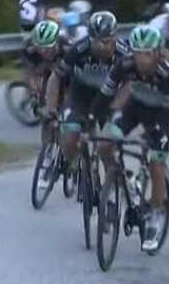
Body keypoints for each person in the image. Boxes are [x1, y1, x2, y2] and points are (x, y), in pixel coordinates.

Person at [91, 25, 169, 252]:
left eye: (147, 53)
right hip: (134, 109)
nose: (141, 59)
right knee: (104, 144)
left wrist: (150, 136)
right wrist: (94, 117)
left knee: (155, 161)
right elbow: (106, 93)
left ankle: (155, 215)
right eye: (137, 52)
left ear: (158, 52)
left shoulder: (168, 74)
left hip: (161, 114)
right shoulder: (125, 65)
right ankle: (116, 184)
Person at [44, 10, 121, 182]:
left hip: (110, 100)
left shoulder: (124, 53)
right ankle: (74, 165)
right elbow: (56, 78)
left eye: (107, 42)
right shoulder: (78, 50)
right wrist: (50, 108)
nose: (102, 47)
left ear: (115, 37)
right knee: (69, 139)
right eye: (96, 42)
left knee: (106, 147)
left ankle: (114, 184)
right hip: (80, 96)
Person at [24, 19, 70, 147]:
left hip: (66, 77)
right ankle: (47, 150)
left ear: (57, 41)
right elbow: (32, 75)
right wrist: (34, 95)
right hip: (46, 74)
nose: (45, 51)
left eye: (49, 46)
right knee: (47, 113)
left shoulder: (67, 48)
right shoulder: (30, 50)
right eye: (41, 47)